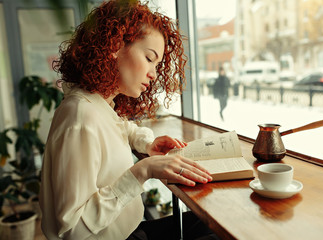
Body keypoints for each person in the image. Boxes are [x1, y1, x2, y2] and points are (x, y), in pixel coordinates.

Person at [39, 1, 217, 239]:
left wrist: (145, 144)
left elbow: (121, 126)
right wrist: (142, 171)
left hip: (130, 230)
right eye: (149, 57)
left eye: (157, 64)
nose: (154, 74)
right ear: (114, 46)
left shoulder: (96, 103)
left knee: (207, 223)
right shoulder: (81, 116)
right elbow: (71, 229)